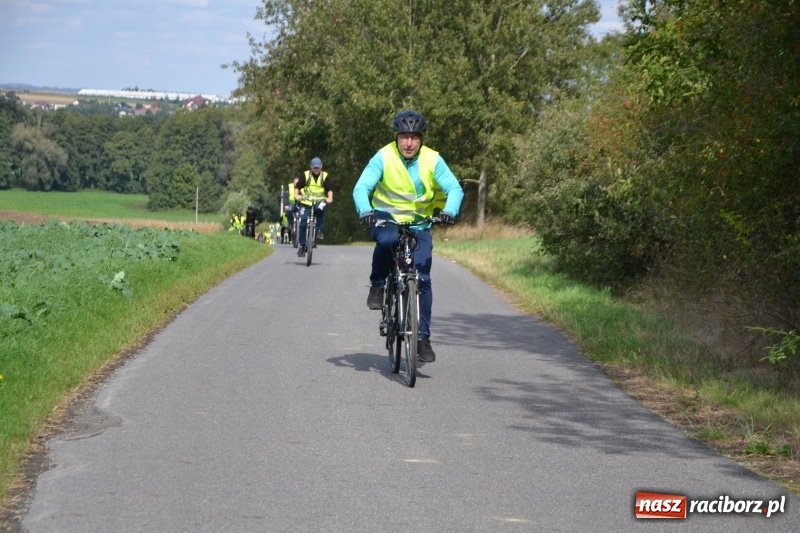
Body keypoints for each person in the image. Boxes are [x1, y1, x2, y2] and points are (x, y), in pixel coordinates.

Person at [352, 110, 463, 363]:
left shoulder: (433, 159)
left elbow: (454, 188)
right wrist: (366, 211)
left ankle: (423, 337)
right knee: (388, 241)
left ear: (421, 139)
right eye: (404, 137)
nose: (409, 143)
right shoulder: (384, 156)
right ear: (396, 137)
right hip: (386, 218)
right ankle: (379, 284)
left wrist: (449, 211)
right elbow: (362, 187)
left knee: (423, 279)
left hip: (420, 223)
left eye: (414, 137)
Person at [295, 157, 333, 257]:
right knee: (302, 223)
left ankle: (319, 230)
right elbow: (298, 187)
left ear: (321, 167)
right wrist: (297, 195)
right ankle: (302, 246)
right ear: (311, 167)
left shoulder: (325, 176)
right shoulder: (306, 175)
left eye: (318, 168)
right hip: (306, 201)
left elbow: (329, 188)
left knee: (319, 209)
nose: (316, 170)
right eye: (314, 168)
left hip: (319, 200)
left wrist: (329, 198)